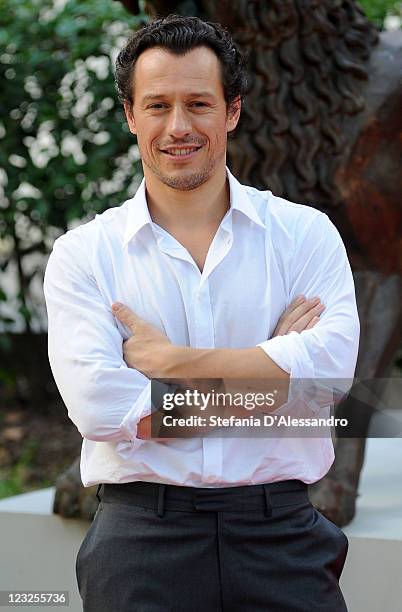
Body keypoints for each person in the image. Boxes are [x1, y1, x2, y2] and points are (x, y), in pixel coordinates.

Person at [43, 14, 360, 612]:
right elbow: (102, 408)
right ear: (132, 116)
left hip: (283, 538)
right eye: (158, 105)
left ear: (232, 111)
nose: (179, 126)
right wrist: (271, 384)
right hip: (141, 543)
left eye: (199, 103)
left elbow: (332, 383)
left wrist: (172, 363)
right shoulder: (84, 255)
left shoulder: (304, 235)